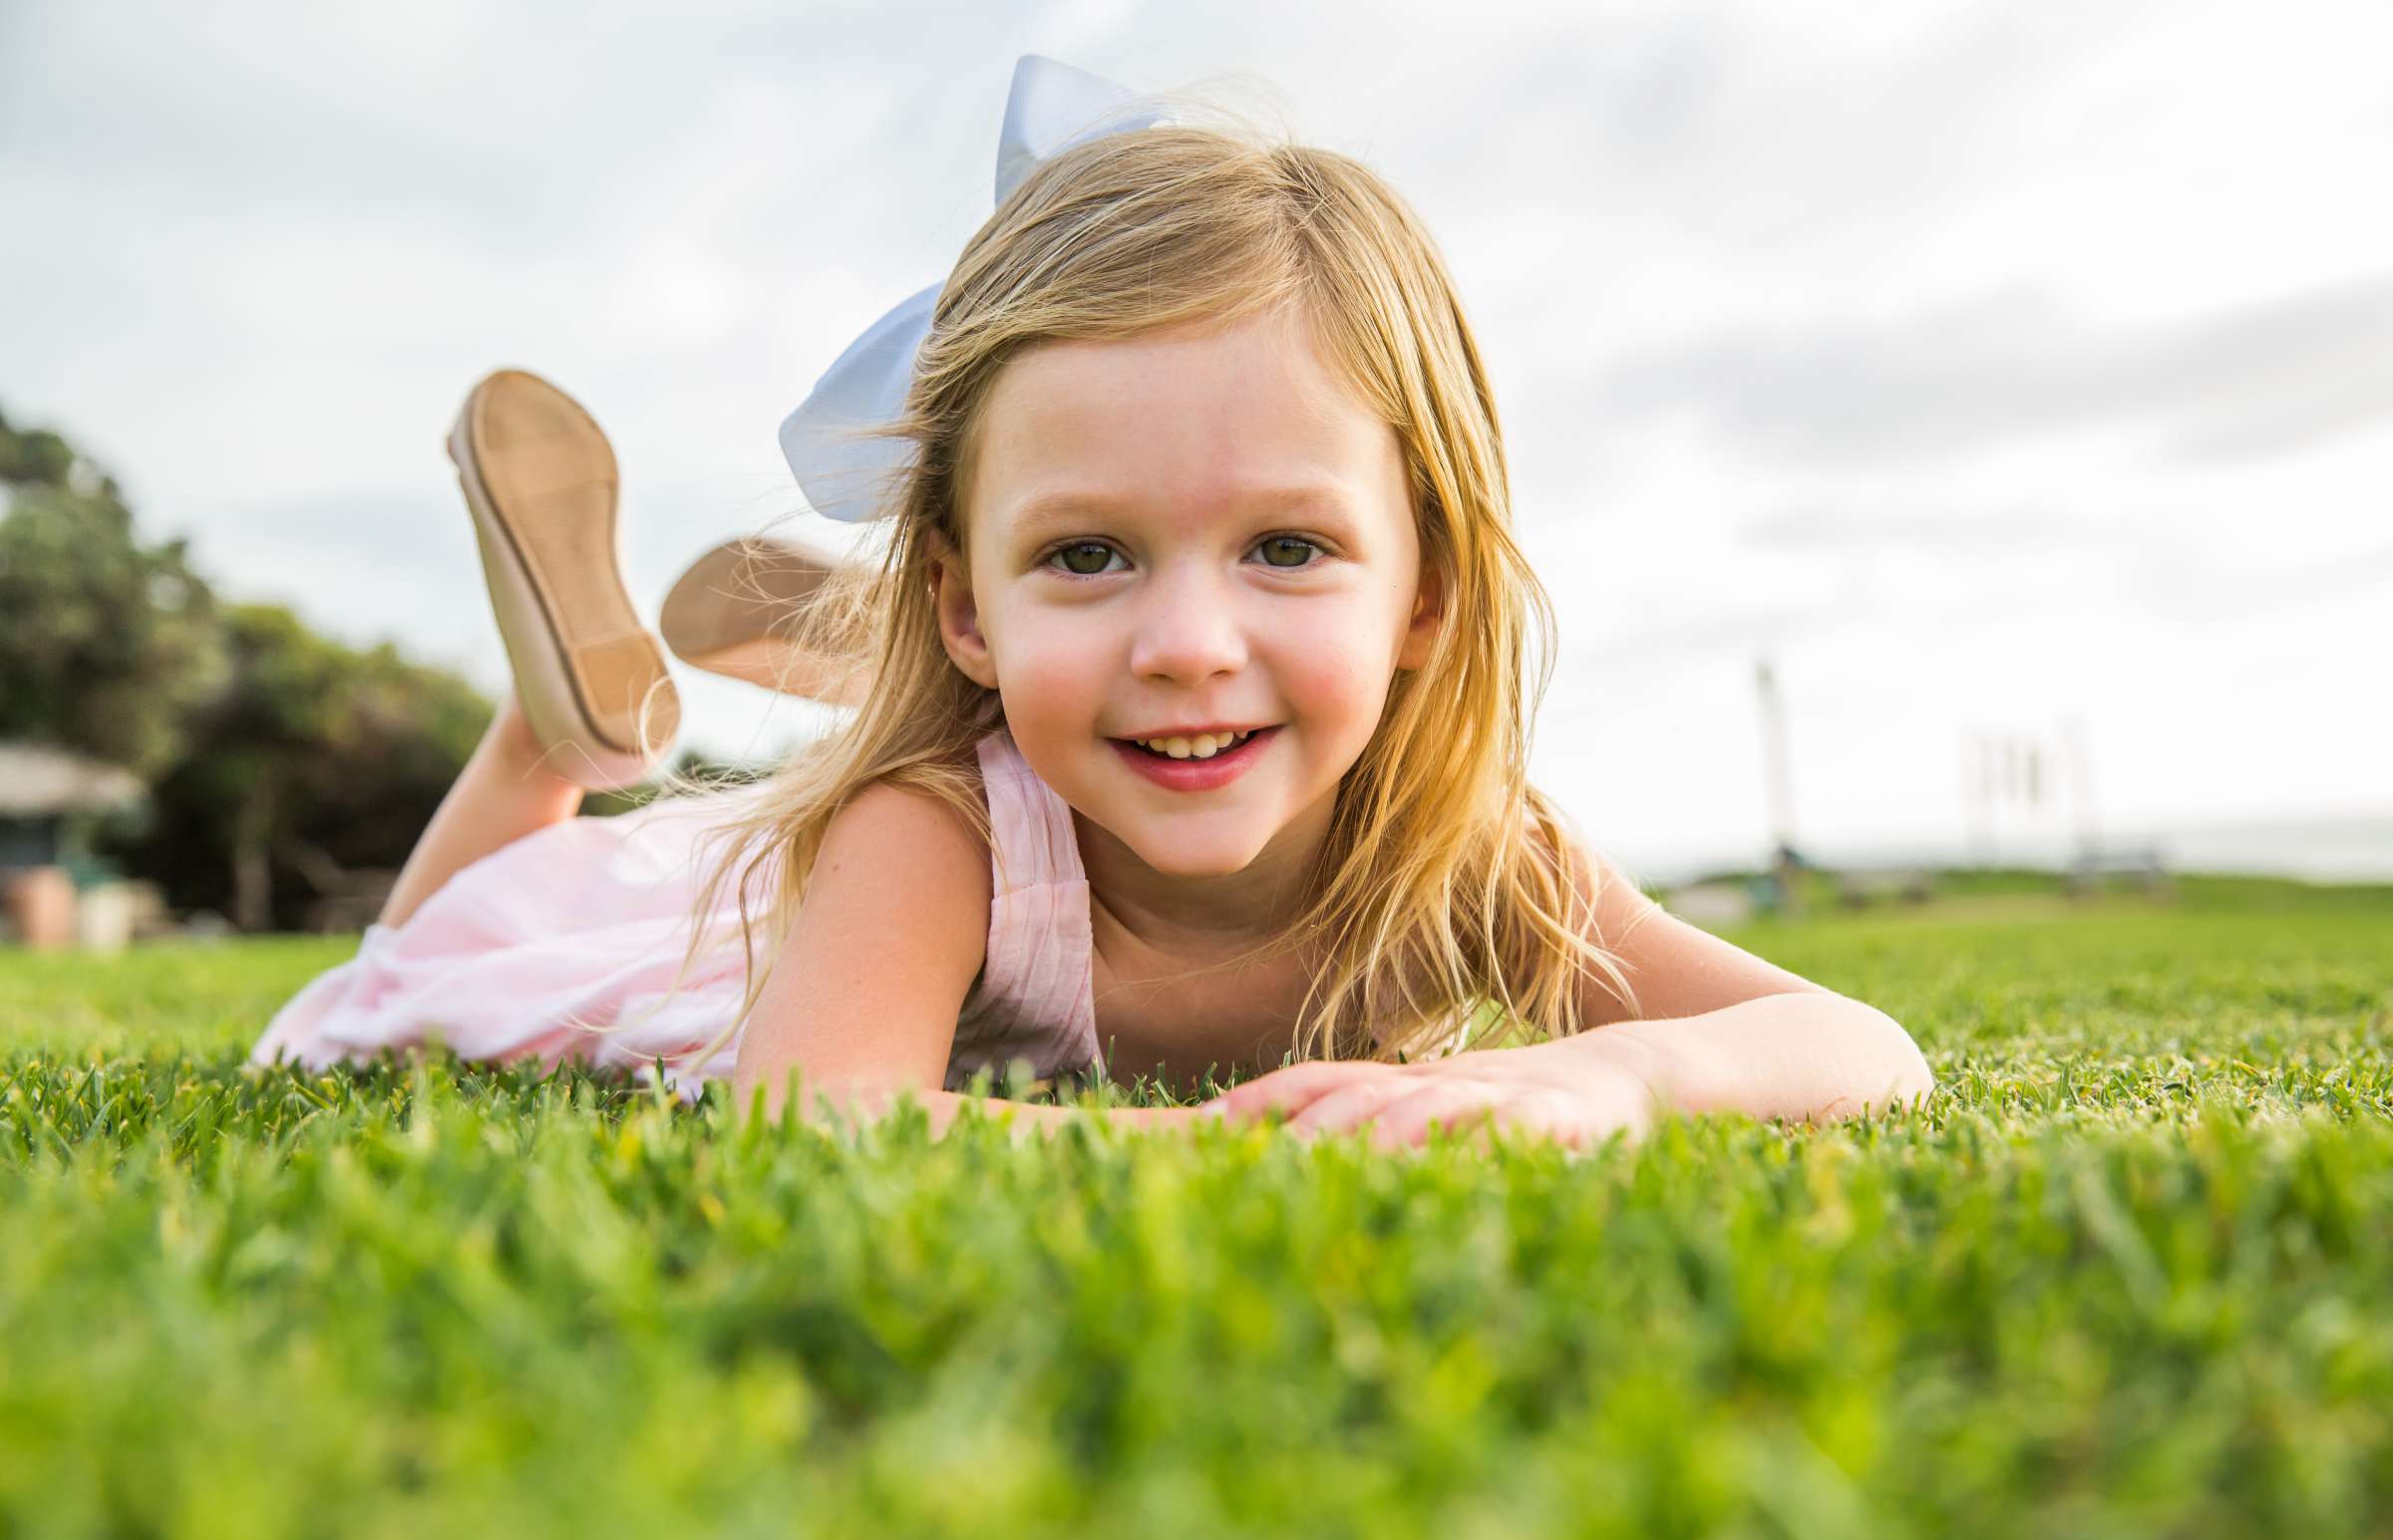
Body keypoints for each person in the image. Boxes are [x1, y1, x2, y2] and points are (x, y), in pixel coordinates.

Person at [249, 56, 1933, 1150]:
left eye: (1286, 549)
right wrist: (1193, 1147)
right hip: (728, 930)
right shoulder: (928, 834)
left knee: (1091, 699)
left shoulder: (1469, 849)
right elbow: (812, 1117)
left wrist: (1607, 1072)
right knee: (434, 952)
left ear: (1427, 590)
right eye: (1090, 553)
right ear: (964, 613)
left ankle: (882, 644)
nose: (1194, 638)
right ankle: (550, 738)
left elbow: (1862, 1047)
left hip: (982, 746)